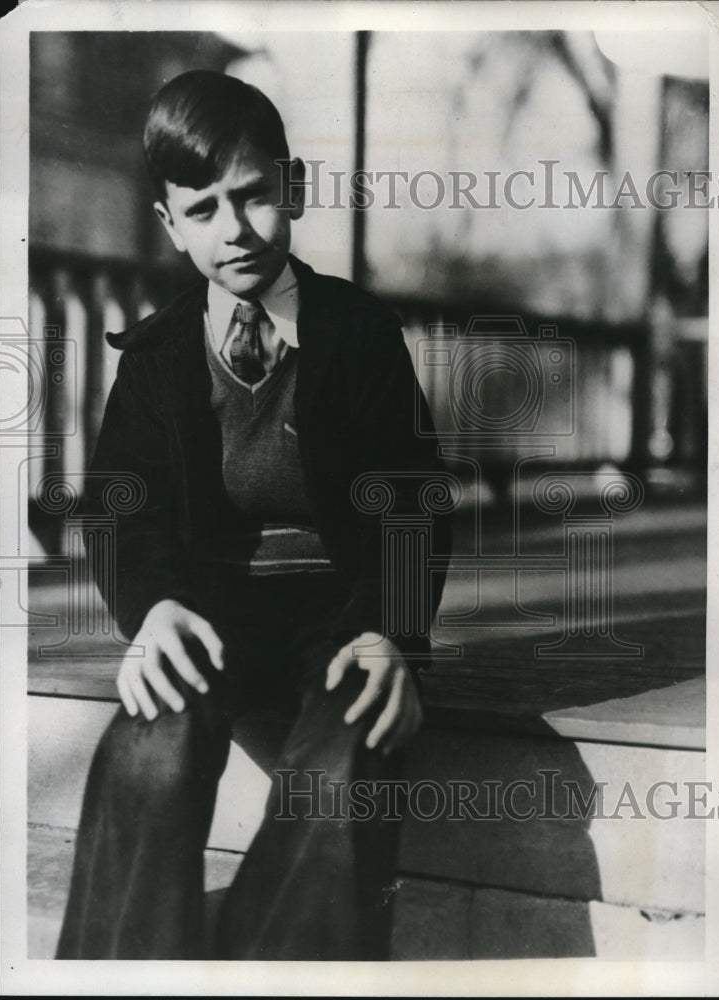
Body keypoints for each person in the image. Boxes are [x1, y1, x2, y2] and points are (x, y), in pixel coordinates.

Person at [56, 69, 452, 961]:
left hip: (340, 611)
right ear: (169, 225)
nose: (233, 229)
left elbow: (414, 501)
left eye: (254, 197)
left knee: (350, 754)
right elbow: (121, 509)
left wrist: (393, 629)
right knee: (148, 747)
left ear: (295, 188)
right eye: (201, 211)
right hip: (210, 609)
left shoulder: (358, 335)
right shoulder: (157, 357)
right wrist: (150, 607)